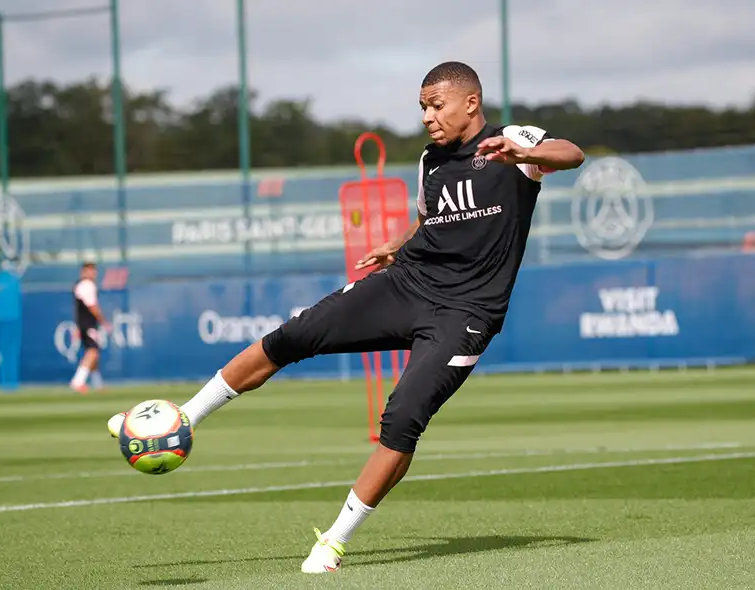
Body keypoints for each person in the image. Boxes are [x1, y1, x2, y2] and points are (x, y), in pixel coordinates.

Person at [107, 61, 585, 573]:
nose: (427, 116)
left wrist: (526, 153)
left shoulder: (513, 141)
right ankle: (184, 418)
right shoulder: (430, 160)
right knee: (295, 334)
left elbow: (572, 153)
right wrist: (396, 245)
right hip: (407, 283)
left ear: (471, 103)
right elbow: (430, 219)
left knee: (403, 418)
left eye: (436, 105)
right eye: (422, 107)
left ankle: (334, 541)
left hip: (466, 311)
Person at [70, 262, 109, 392]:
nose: (93, 274)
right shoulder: (87, 285)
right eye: (90, 271)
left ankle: (98, 383)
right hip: (88, 324)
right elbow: (92, 306)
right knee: (93, 351)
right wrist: (103, 321)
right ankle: (77, 381)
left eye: (94, 271)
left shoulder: (80, 285)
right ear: (84, 272)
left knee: (94, 353)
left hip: (84, 324)